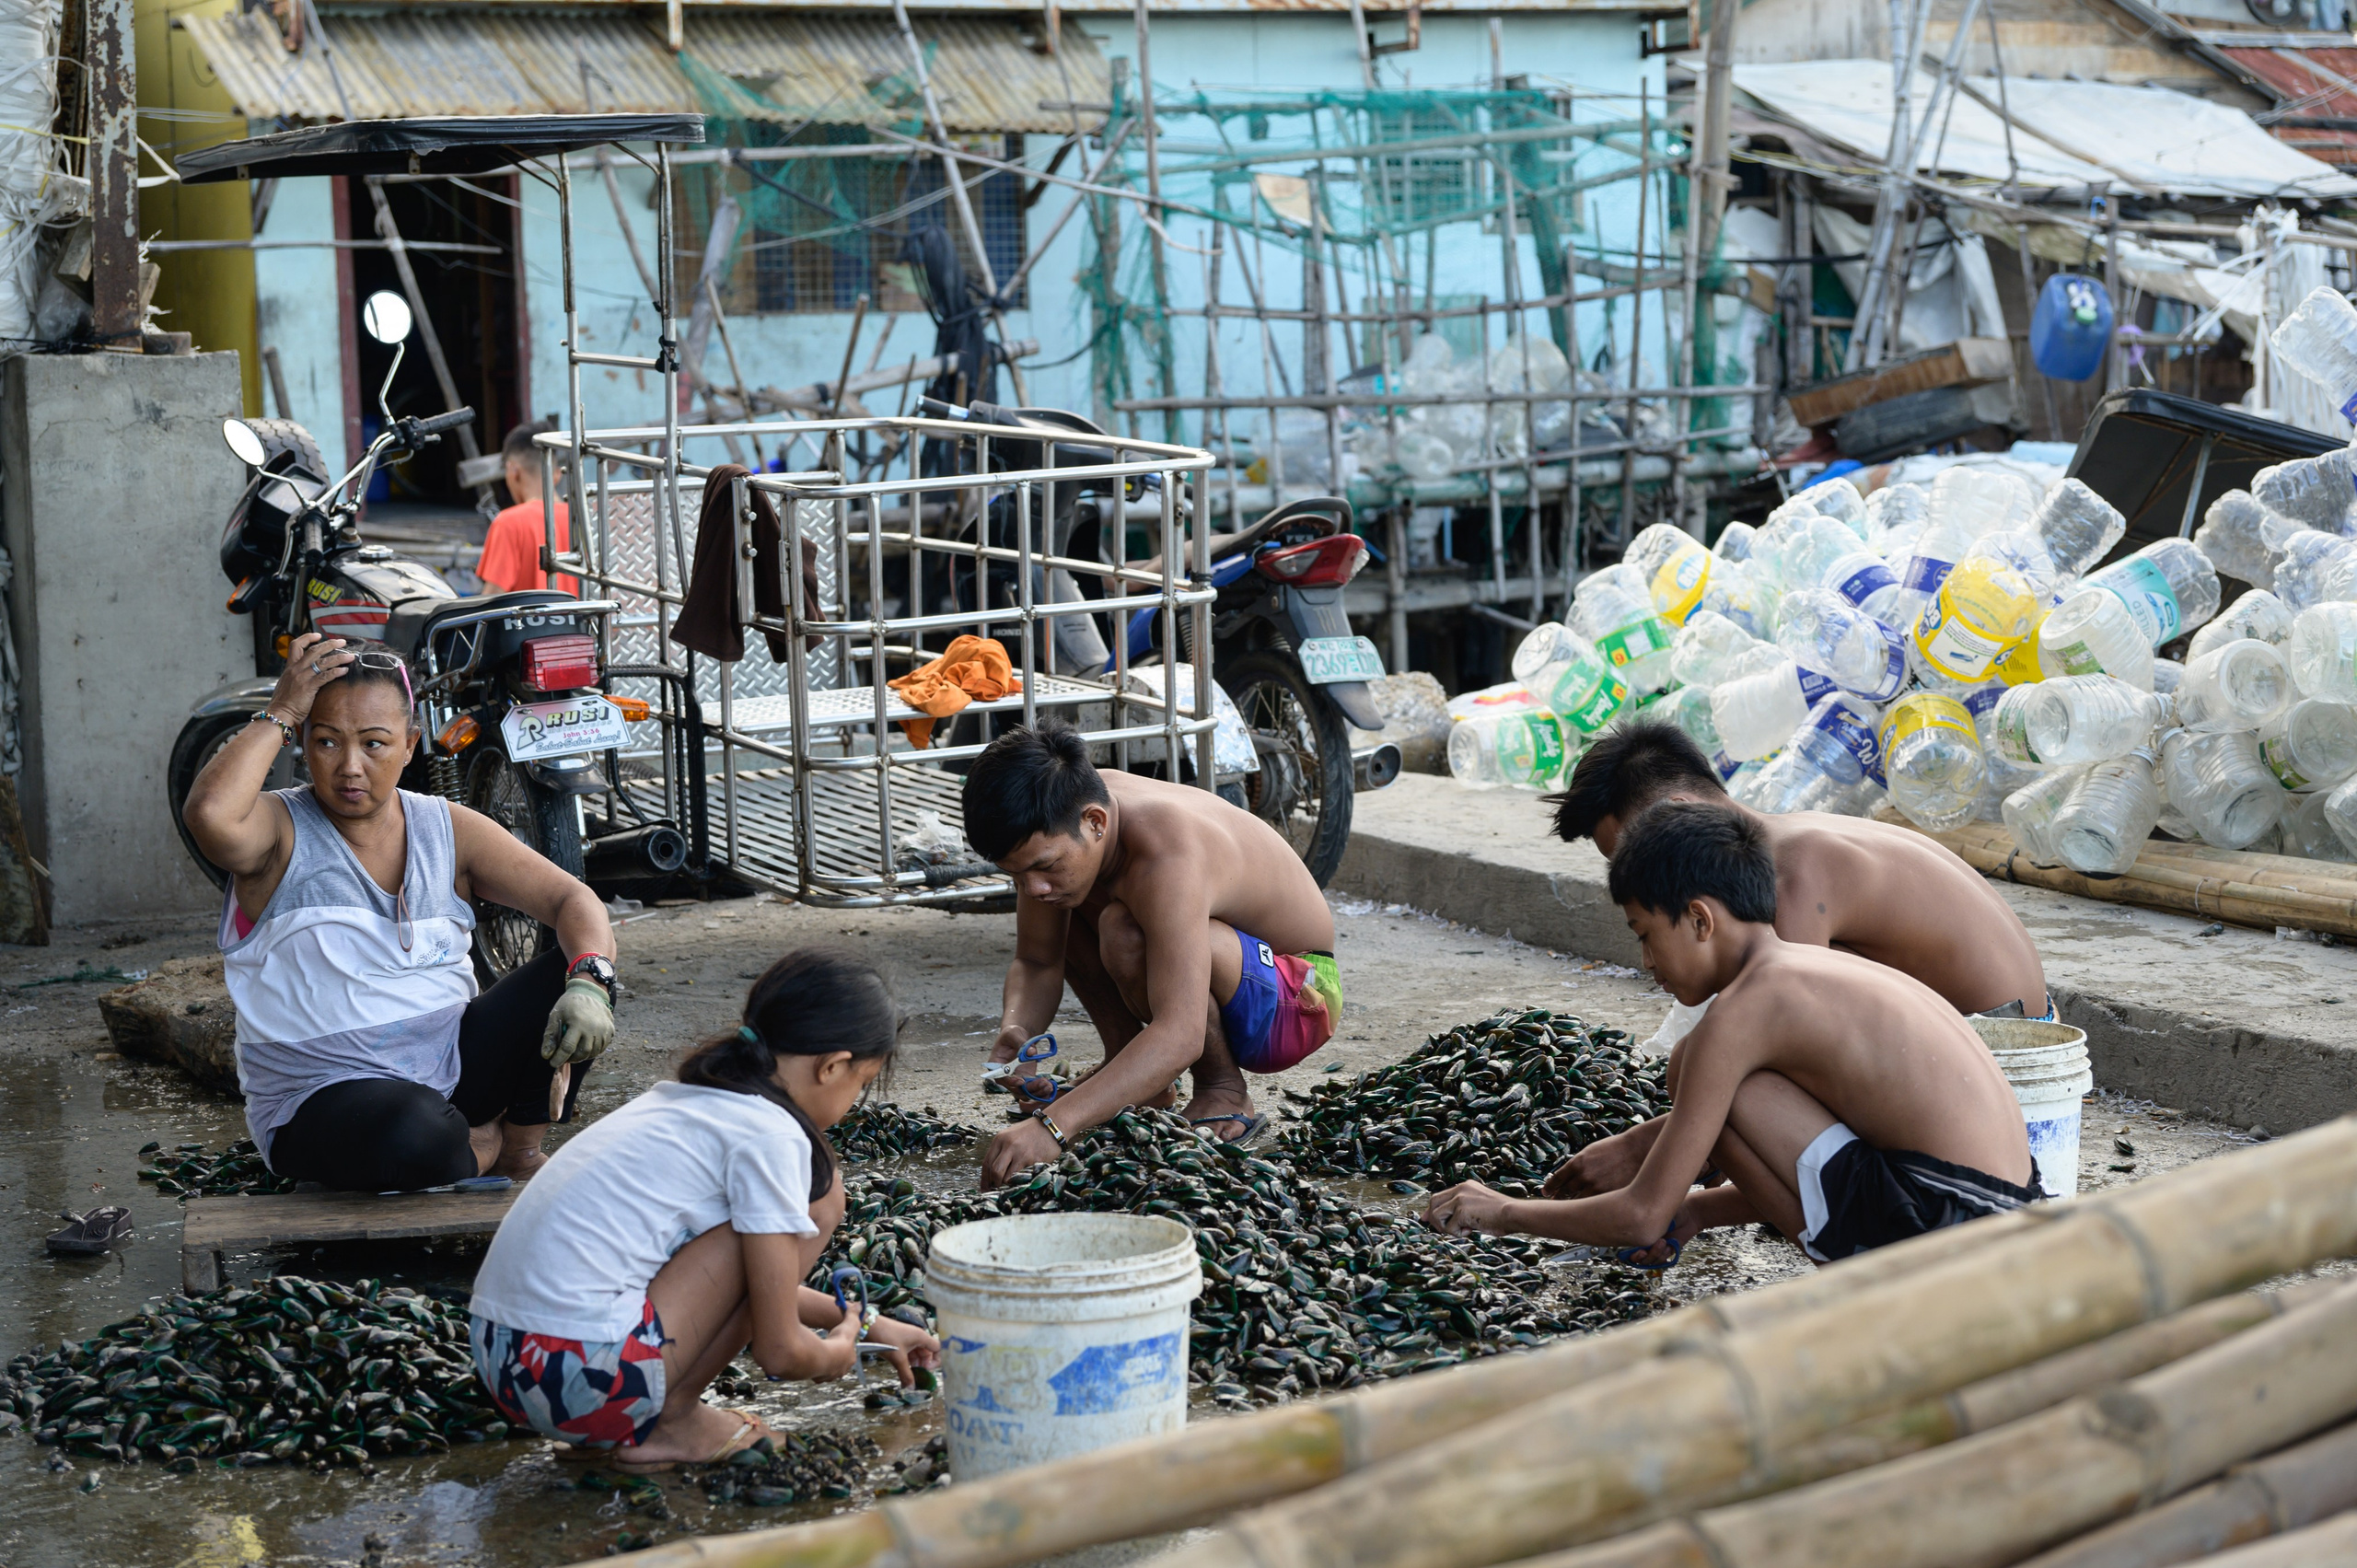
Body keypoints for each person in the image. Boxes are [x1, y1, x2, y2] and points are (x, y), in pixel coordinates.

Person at [1422, 800, 2040, 1263]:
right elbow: (1816, 1159)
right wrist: (1695, 1210)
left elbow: (1641, 1215)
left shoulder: (1745, 1011)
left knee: (1707, 1074)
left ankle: (1868, 1275)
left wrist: (1502, 1211)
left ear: (1699, 919)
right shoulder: (1812, 965)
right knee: (1706, 1073)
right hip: (2008, 1208)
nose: (1645, 961)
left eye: (1644, 933)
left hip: (1948, 1231)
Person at [469, 948, 941, 1470]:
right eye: (864, 1081)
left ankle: (644, 1416)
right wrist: (840, 1349)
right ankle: (673, 1421)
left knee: (765, 1227)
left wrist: (868, 1321)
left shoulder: (691, 1098)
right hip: (581, 1378)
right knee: (825, 1197)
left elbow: (752, 1283)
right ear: (833, 1067)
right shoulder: (771, 1135)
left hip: (503, 1365)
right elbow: (779, 1349)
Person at [184, 632, 619, 1191]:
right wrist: (282, 708)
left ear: (410, 744)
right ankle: (481, 1144)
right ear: (302, 742)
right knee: (415, 1136)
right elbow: (210, 816)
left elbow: (572, 900)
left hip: (452, 1068)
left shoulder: (447, 828)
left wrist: (588, 983)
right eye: (326, 742)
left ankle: (518, 1148)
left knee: (587, 960)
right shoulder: (276, 830)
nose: (350, 768)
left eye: (374, 744)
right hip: (321, 1098)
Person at [962, 723, 1343, 1187]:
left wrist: (1054, 1126)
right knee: (1073, 901)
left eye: (1043, 866)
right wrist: (1018, 1030)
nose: (1031, 888)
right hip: (1240, 972)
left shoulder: (1166, 851)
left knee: (1123, 929)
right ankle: (1139, 1074)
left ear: (1095, 822)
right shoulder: (1068, 811)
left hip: (1301, 998)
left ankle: (1223, 1089)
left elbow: (1180, 1033)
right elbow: (1037, 961)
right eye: (1016, 876)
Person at [1546, 718, 2048, 1018]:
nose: (1640, 880)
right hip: (2011, 1022)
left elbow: (1789, 1025)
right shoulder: (1783, 833)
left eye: (1639, 858)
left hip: (2010, 1048)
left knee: (1757, 1070)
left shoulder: (1791, 873)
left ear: (1680, 810)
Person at [477, 418, 577, 595]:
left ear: (513, 471)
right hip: (581, 622)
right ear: (556, 475)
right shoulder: (582, 520)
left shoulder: (509, 523)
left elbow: (492, 598)